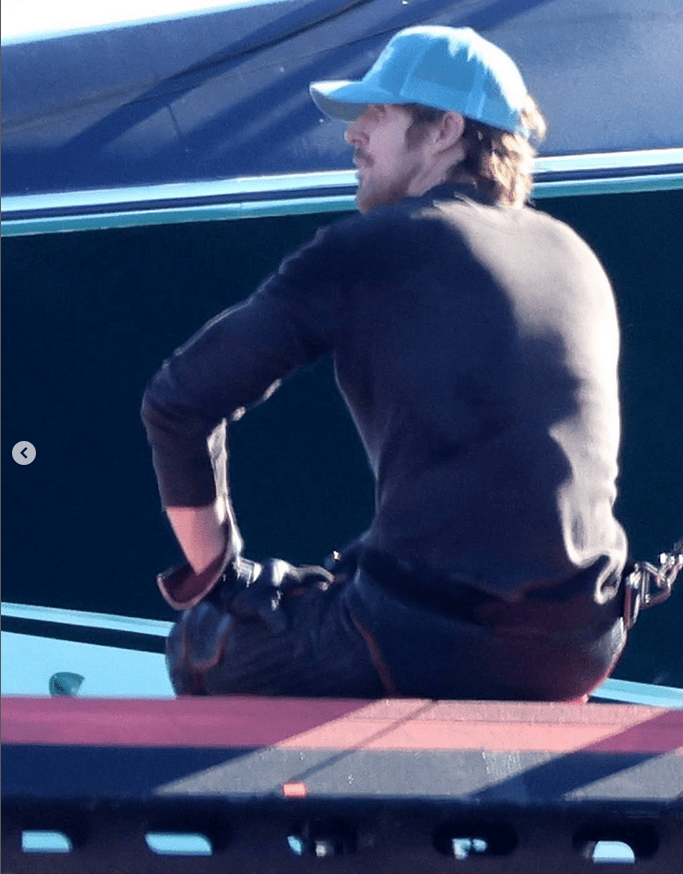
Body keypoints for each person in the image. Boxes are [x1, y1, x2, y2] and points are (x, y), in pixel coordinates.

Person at [142, 25, 629, 701]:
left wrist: (218, 577)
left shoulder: (372, 245)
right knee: (367, 572)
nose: (354, 133)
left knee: (203, 640)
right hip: (582, 644)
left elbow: (178, 400)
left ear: (445, 130)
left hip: (425, 639)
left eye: (378, 112)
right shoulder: (576, 254)